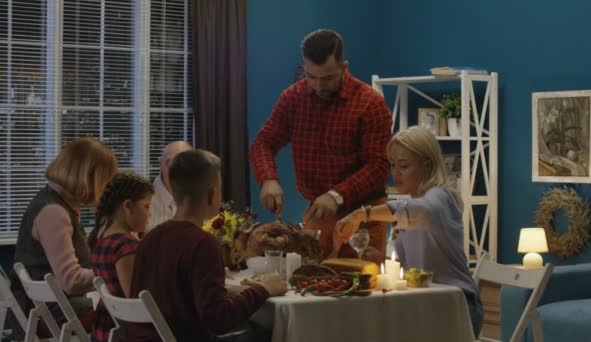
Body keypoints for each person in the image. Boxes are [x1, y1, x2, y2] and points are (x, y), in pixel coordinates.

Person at [249, 28, 393, 259]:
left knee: (363, 285)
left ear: (344, 67)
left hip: (364, 216)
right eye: (311, 76)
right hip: (318, 213)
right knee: (314, 281)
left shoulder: (370, 103)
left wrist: (337, 195)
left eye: (327, 78)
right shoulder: (293, 98)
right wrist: (268, 179)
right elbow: (263, 143)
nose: (318, 85)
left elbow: (378, 166)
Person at [335, 127, 483, 338]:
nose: (396, 173)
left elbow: (422, 211)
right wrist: (383, 260)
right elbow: (412, 271)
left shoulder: (442, 197)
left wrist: (362, 214)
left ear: (427, 165)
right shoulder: (412, 206)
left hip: (457, 304)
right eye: (393, 165)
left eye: (404, 165)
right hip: (424, 302)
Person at [125, 149, 287, 342]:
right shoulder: (202, 243)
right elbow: (218, 319)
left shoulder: (149, 239)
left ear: (174, 192)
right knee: (270, 332)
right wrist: (264, 289)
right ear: (212, 195)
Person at [10, 137, 117, 336]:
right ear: (89, 176)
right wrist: (113, 269)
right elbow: (71, 280)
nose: (106, 187)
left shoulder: (56, 202)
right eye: (106, 179)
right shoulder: (54, 213)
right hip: (53, 316)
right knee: (128, 323)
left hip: (48, 310)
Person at [89, 172, 154, 342]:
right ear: (128, 207)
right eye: (147, 207)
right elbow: (135, 300)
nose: (150, 214)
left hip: (103, 330)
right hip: (122, 334)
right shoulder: (125, 246)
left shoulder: (101, 239)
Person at [145, 140, 192, 233]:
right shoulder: (142, 197)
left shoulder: (197, 197)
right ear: (161, 164)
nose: (173, 167)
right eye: (168, 161)